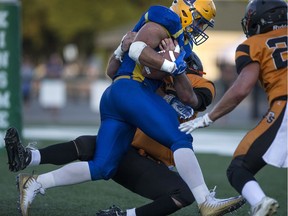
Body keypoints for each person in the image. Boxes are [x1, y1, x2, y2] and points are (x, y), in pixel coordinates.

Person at [11, 1, 244, 216]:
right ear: (187, 11)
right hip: (130, 90)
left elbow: (117, 67)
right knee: (180, 138)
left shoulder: (182, 41)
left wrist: (128, 53)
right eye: (201, 20)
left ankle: (35, 183)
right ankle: (205, 200)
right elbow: (136, 50)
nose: (201, 27)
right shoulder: (167, 18)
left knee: (103, 167)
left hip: (115, 95)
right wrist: (171, 65)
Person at [5, 49, 225, 216]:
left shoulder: (202, 83)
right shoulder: (155, 77)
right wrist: (126, 50)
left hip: (152, 164)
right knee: (92, 145)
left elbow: (195, 100)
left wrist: (175, 70)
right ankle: (30, 163)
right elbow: (115, 73)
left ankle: (125, 215)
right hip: (128, 150)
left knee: (184, 193)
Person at [179, 0, 287, 215]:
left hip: (284, 105)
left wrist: (209, 118)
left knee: (239, 168)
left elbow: (241, 89)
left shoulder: (254, 44)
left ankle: (260, 202)